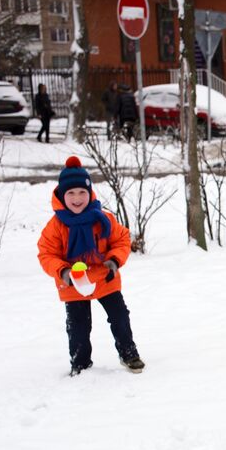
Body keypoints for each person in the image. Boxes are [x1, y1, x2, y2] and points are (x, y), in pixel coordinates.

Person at [36, 156, 145, 376]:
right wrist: (63, 271)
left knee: (120, 316)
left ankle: (128, 353)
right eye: (71, 193)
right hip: (73, 283)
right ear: (62, 196)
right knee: (78, 326)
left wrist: (114, 260)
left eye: (82, 192)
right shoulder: (56, 226)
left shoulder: (102, 218)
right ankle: (80, 362)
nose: (77, 198)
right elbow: (47, 253)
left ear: (90, 193)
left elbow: (122, 240)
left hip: (105, 277)